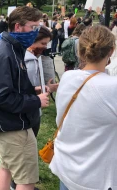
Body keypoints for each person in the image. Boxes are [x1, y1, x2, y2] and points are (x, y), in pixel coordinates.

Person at [0, 6, 50, 190]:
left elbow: (10, 86)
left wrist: (33, 90)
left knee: (7, 168)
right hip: (12, 124)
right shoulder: (6, 52)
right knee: (26, 180)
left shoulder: (13, 48)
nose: (36, 32)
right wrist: (36, 101)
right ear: (18, 26)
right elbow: (0, 96)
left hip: (10, 122)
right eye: (33, 27)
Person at [50, 25, 117, 190]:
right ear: (111, 51)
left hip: (67, 167)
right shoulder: (112, 88)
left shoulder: (67, 77)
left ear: (80, 51)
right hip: (96, 178)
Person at [25, 26, 58, 136]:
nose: (45, 47)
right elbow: (26, 88)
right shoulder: (29, 61)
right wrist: (39, 91)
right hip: (28, 112)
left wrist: (47, 87)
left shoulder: (35, 57)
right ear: (33, 40)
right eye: (43, 43)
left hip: (33, 110)